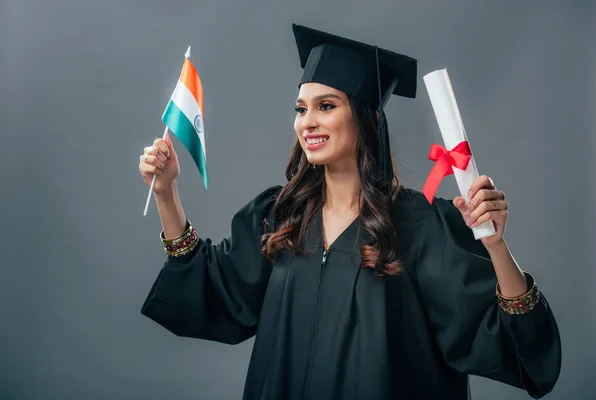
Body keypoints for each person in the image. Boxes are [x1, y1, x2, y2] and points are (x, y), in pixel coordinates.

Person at [138, 23, 561, 400]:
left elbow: (503, 336)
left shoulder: (418, 223)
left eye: (326, 106)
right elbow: (214, 287)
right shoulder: (281, 214)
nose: (307, 123)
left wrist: (495, 245)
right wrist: (166, 193)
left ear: (363, 118)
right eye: (301, 109)